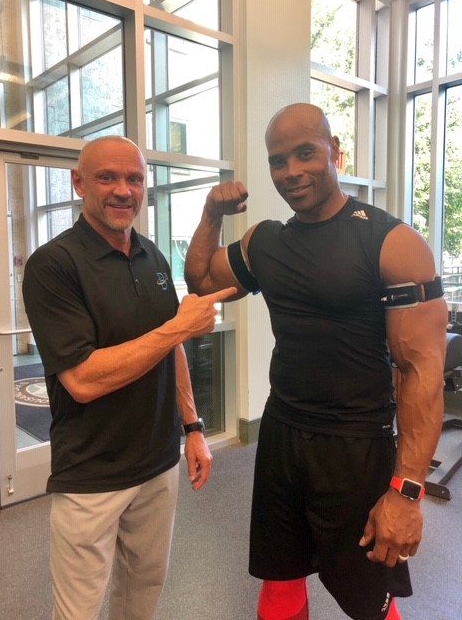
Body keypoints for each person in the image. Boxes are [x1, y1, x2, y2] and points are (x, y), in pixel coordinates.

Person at [184, 103, 447, 620]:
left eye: (306, 153)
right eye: (278, 161)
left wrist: (406, 492)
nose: (291, 171)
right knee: (280, 578)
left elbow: (422, 373)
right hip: (282, 434)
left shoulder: (391, 242)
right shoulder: (266, 241)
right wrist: (211, 215)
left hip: (356, 445)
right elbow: (201, 282)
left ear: (335, 152)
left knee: (369, 602)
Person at [22, 135, 236, 620]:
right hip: (92, 473)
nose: (123, 190)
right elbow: (82, 380)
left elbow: (171, 349)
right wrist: (178, 327)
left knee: (142, 597)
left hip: (158, 463)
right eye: (107, 177)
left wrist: (193, 427)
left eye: (134, 178)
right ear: (79, 183)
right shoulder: (54, 265)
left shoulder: (152, 256)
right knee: (77, 612)